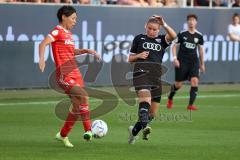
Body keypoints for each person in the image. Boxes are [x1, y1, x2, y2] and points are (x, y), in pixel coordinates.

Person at [39, 6, 100, 148]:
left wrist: (86, 50)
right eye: (73, 18)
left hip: (76, 74)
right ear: (63, 17)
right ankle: (89, 130)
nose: (75, 21)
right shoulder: (57, 31)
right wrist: (42, 59)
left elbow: (71, 51)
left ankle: (62, 135)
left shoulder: (69, 34)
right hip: (64, 75)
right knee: (84, 96)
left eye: (76, 19)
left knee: (77, 106)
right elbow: (43, 44)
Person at [127, 15, 176, 144]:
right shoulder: (139, 38)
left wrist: (164, 23)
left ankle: (133, 132)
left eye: (155, 29)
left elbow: (174, 36)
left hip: (156, 77)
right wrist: (138, 55)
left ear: (159, 30)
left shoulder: (161, 40)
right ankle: (145, 127)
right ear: (145, 26)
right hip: (141, 73)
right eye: (149, 28)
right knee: (146, 99)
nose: (152, 31)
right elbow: (130, 58)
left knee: (152, 113)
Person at [167, 14, 205, 110]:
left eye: (193, 20)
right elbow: (174, 46)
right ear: (187, 22)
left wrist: (202, 64)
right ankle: (170, 97)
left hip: (194, 62)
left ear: (196, 22)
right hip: (182, 61)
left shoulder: (199, 36)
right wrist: (175, 58)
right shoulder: (182, 34)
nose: (191, 22)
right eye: (189, 20)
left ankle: (190, 105)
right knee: (178, 84)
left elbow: (200, 50)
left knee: (195, 81)